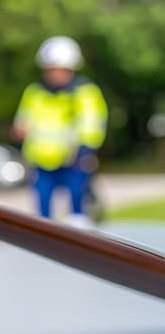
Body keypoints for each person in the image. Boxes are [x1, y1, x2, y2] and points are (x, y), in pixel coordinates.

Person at [12, 36, 108, 226]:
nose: (55, 74)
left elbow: (93, 124)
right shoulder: (34, 92)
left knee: (77, 212)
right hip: (41, 161)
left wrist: (84, 150)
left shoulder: (85, 92)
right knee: (43, 215)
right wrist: (20, 135)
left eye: (60, 69)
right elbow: (23, 121)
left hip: (74, 161)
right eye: (51, 69)